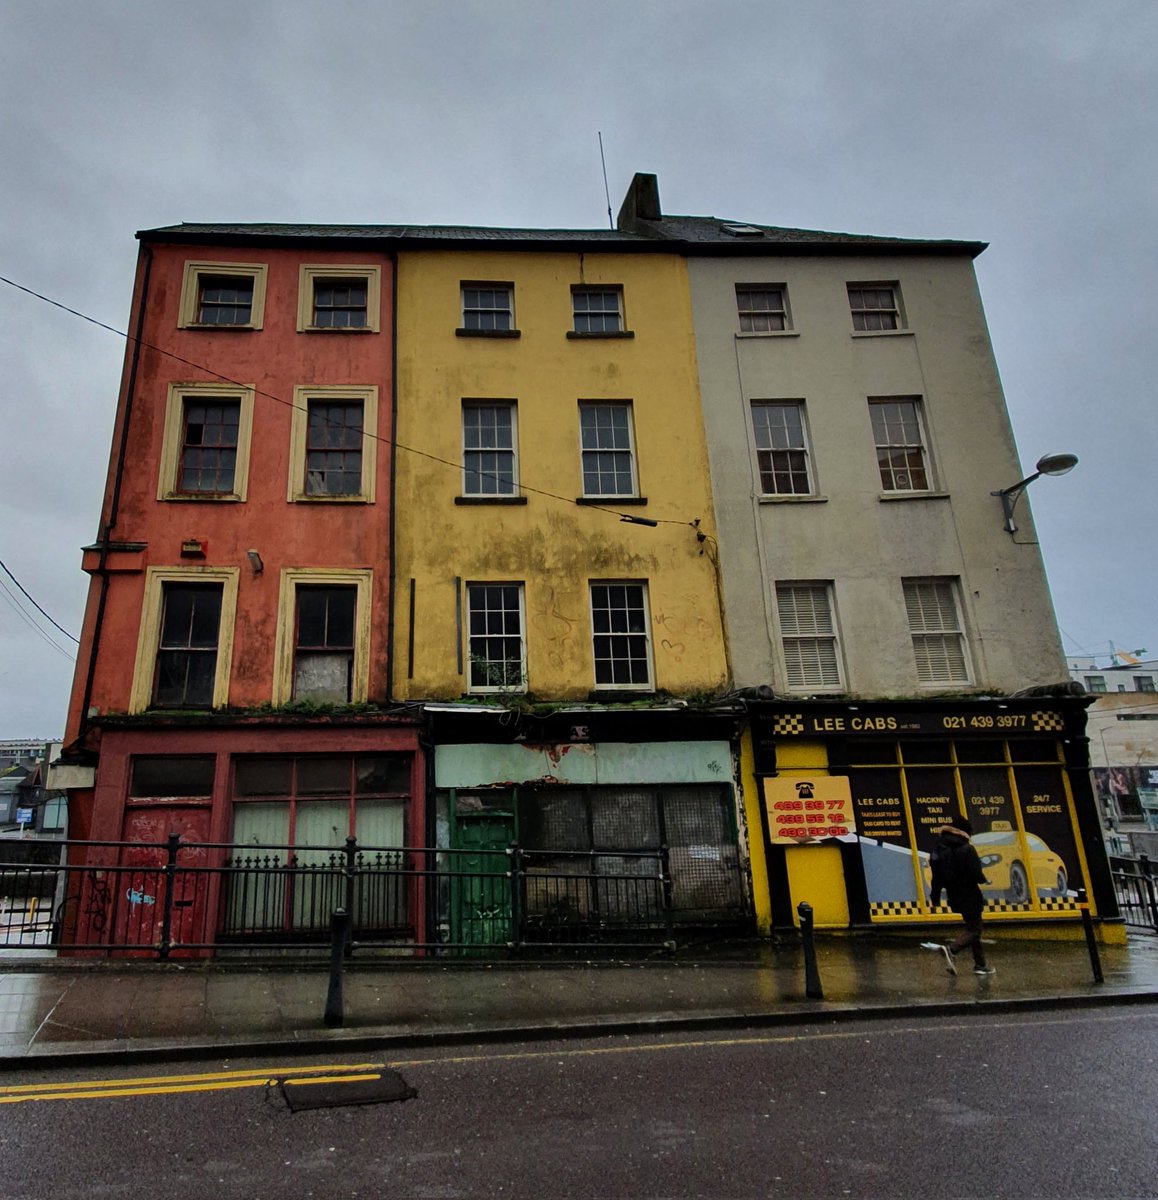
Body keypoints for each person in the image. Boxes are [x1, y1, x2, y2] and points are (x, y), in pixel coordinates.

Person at [928, 815, 994, 976]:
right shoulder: (967, 849)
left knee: (973, 927)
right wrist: (984, 880)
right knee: (975, 930)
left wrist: (935, 897)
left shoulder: (939, 850)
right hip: (970, 893)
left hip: (954, 895)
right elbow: (976, 873)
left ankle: (980, 964)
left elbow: (936, 878)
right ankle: (952, 949)